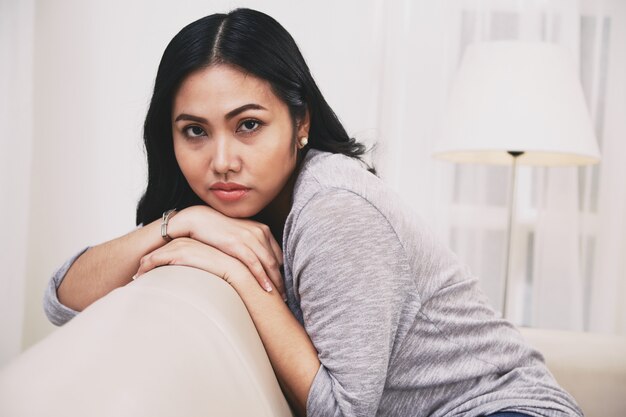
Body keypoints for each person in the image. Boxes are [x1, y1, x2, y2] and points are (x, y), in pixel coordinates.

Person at [44, 8, 583, 417]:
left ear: (300, 123)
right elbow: (61, 297)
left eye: (248, 124)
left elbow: (343, 412)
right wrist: (179, 224)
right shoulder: (212, 209)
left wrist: (239, 275)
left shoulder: (332, 210)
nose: (222, 161)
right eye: (195, 131)